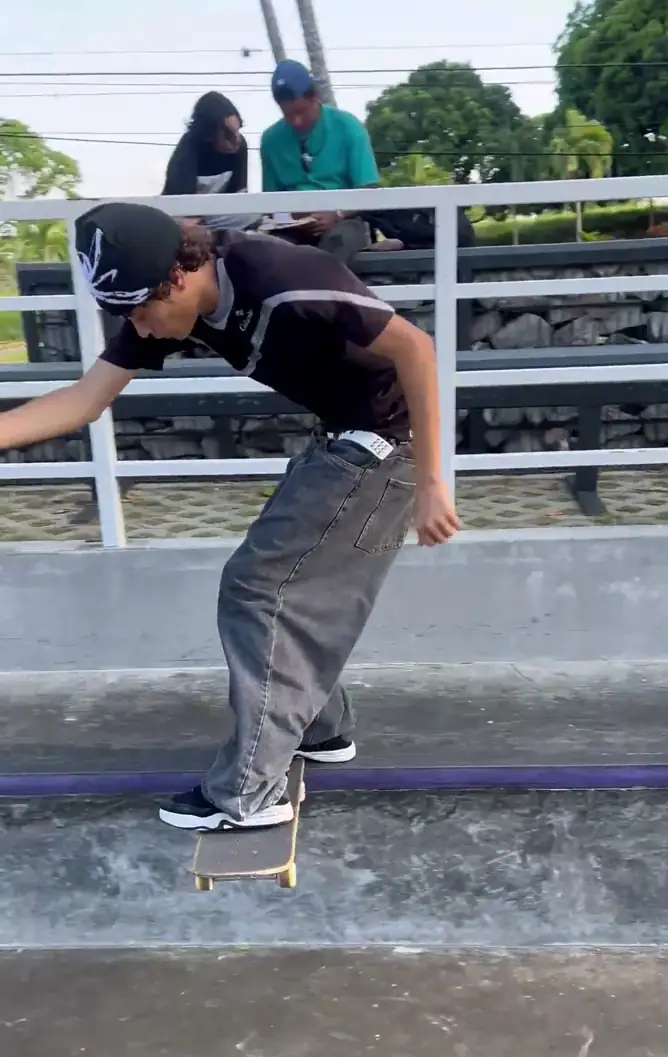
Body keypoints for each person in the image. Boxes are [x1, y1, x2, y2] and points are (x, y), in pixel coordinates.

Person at [0, 202, 459, 831]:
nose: (141, 329)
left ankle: (248, 793)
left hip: (386, 444)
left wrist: (434, 482)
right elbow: (85, 399)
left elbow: (416, 348)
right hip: (345, 437)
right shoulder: (165, 296)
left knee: (258, 589)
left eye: (141, 312)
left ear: (177, 277)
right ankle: (321, 730)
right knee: (288, 586)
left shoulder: (280, 277)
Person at [260, 60, 379, 264]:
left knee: (337, 243)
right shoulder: (270, 140)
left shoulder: (348, 127)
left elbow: (368, 188)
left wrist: (337, 213)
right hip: (293, 226)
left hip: (344, 220)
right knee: (272, 251)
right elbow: (271, 200)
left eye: (302, 112)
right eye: (288, 115)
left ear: (315, 96)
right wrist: (291, 217)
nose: (296, 121)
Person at [162, 91, 256, 235]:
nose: (236, 140)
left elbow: (239, 195)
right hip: (186, 215)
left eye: (238, 131)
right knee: (179, 223)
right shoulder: (188, 149)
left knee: (252, 213)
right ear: (208, 134)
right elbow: (181, 204)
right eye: (228, 134)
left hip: (216, 216)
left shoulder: (240, 147)